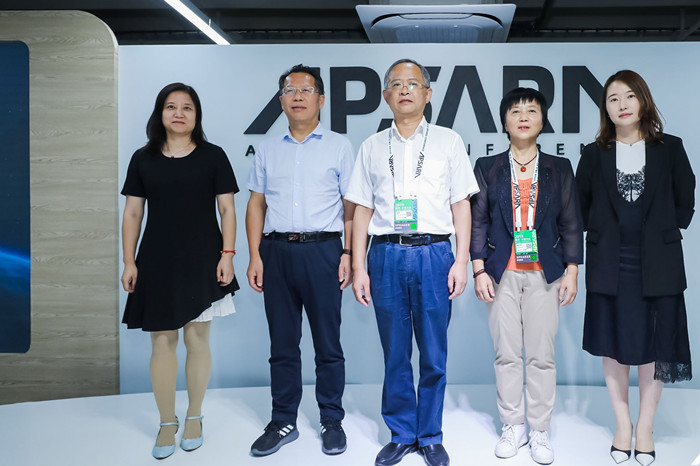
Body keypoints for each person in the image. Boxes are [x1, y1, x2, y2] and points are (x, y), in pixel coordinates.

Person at [346, 58, 478, 466]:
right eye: (397, 84)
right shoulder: (371, 147)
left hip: (435, 254)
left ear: (428, 93)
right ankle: (402, 433)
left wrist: (461, 261)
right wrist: (358, 267)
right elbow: (362, 210)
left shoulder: (448, 142)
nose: (405, 90)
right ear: (386, 95)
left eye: (413, 83)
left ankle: (431, 435)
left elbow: (461, 205)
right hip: (385, 254)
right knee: (396, 352)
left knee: (434, 353)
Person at [576, 69, 694, 466]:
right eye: (613, 99)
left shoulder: (670, 148)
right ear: (605, 109)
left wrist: (660, 231)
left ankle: (645, 426)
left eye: (629, 96)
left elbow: (685, 199)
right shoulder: (593, 154)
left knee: (655, 347)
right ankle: (622, 424)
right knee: (614, 345)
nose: (622, 105)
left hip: (658, 264)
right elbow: (581, 204)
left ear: (643, 100)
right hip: (610, 263)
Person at [120, 82, 239, 459]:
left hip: (203, 257)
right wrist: (129, 261)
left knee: (197, 339)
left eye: (187, 107)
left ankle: (194, 416)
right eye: (171, 106)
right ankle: (166, 421)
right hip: (156, 259)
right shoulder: (143, 158)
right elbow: (133, 213)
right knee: (161, 341)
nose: (179, 113)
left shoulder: (213, 156)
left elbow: (227, 210)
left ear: (196, 115)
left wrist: (227, 255)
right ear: (160, 113)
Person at [246, 64, 355, 457]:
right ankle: (283, 420)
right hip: (275, 252)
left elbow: (351, 206)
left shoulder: (339, 146)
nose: (297, 96)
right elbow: (256, 204)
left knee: (328, 344)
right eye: (289, 90)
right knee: (282, 344)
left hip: (324, 251)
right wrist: (255, 255)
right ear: (281, 101)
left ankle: (331, 420)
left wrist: (348, 253)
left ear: (320, 99)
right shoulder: (267, 148)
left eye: (305, 90)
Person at [470, 87, 583, 465]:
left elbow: (571, 222)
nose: (523, 117)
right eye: (515, 111)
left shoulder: (558, 168)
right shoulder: (488, 167)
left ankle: (539, 429)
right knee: (506, 354)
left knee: (541, 355)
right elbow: (478, 221)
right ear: (504, 121)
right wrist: (478, 268)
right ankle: (512, 424)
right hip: (500, 272)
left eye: (531, 111)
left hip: (544, 274)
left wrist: (572, 270)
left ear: (542, 120)